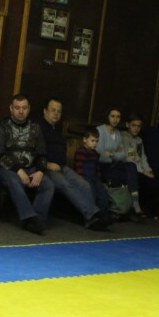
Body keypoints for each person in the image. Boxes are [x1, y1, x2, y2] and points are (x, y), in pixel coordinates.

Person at [37, 97, 110, 231]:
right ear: (45, 111)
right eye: (53, 110)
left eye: (59, 111)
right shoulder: (38, 127)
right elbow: (34, 151)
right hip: (46, 167)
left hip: (62, 167)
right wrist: (46, 164)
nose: (56, 113)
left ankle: (91, 218)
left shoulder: (57, 128)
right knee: (66, 184)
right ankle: (93, 215)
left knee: (84, 184)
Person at [0, 93, 54, 235]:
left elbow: (42, 153)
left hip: (31, 167)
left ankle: (38, 220)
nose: (21, 111)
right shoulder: (1, 126)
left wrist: (40, 171)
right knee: (14, 180)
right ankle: (29, 218)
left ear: (29, 109)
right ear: (11, 108)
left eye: (24, 108)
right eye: (17, 107)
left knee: (48, 184)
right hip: (5, 169)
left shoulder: (35, 128)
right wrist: (18, 170)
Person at [97, 108, 143, 220]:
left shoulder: (117, 133)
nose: (115, 119)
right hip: (102, 167)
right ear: (107, 116)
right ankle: (130, 207)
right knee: (129, 174)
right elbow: (100, 156)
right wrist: (115, 154)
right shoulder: (100, 131)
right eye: (112, 116)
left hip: (114, 165)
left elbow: (123, 155)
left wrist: (112, 154)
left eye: (118, 117)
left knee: (131, 166)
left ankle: (135, 202)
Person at [121, 114, 159, 217]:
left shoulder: (139, 140)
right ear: (127, 125)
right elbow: (130, 159)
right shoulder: (124, 138)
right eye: (133, 125)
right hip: (132, 171)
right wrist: (144, 172)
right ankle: (140, 209)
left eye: (138, 126)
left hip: (142, 170)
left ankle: (147, 208)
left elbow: (143, 157)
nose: (136, 128)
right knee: (152, 184)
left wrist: (148, 170)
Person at [72, 127, 113, 216]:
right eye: (92, 141)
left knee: (103, 193)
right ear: (85, 140)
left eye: (97, 141)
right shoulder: (81, 151)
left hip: (94, 177)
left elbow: (96, 166)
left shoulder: (95, 153)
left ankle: (102, 213)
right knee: (91, 193)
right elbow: (78, 167)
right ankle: (93, 214)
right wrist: (82, 179)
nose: (95, 143)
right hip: (85, 177)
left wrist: (99, 177)